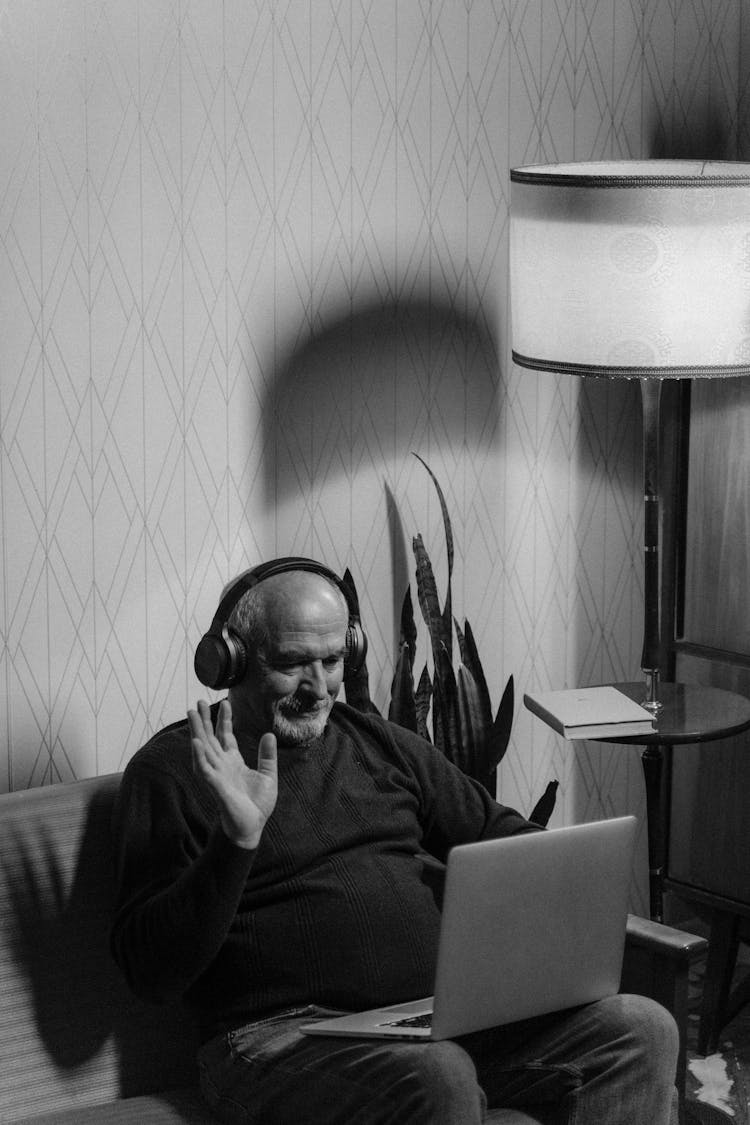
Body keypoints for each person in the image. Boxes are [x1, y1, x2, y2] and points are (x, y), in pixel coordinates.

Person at [110, 559, 679, 1125]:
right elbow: (152, 973)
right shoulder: (173, 772)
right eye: (290, 664)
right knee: (437, 1073)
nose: (317, 686)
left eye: (332, 661)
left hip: (428, 1022)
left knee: (639, 1029)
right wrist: (238, 840)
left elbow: (507, 840)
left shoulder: (379, 742)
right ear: (228, 661)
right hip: (277, 1040)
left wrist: (567, 893)